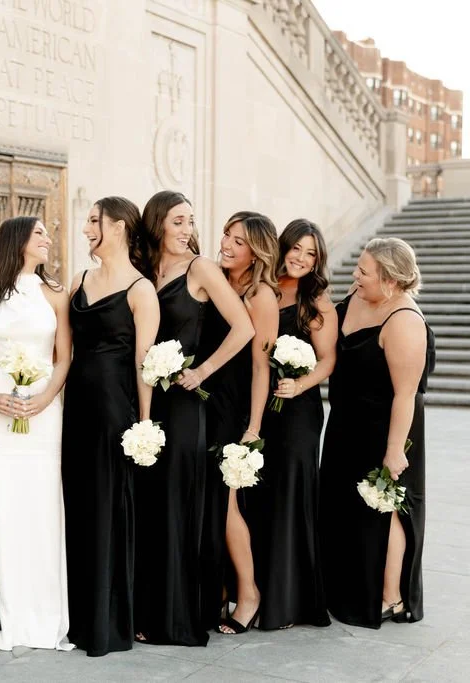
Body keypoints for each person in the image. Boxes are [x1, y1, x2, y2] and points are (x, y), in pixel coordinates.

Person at [133, 191, 254, 646]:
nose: (187, 230)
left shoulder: (200, 269)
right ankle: (147, 609)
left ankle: (177, 616)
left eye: (190, 221)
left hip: (185, 403)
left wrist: (201, 369)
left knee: (178, 503)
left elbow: (244, 328)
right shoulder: (144, 270)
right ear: (158, 224)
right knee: (149, 506)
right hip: (147, 400)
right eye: (178, 221)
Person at [0, 217, 73, 652]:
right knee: (4, 505)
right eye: (40, 233)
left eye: (49, 233)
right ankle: (3, 612)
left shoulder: (56, 295)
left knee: (43, 503)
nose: (48, 239)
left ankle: (46, 613)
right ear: (17, 241)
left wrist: (46, 397)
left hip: (44, 413)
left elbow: (64, 356)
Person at [62, 196, 159, 656]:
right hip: (76, 407)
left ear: (118, 227)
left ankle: (107, 622)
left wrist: (143, 423)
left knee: (107, 508)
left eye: (93, 221)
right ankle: (76, 616)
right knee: (78, 506)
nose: (85, 229)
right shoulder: (78, 280)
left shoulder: (142, 290)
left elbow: (145, 364)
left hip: (115, 410)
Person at [321, 237, 434, 628]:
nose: (356, 275)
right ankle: (343, 588)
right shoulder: (358, 296)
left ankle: (390, 597)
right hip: (345, 425)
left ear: (389, 280)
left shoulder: (403, 320)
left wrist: (393, 451)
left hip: (387, 431)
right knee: (345, 509)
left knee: (385, 508)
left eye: (364, 271)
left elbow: (406, 395)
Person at [248, 219, 334, 630]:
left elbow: (329, 359)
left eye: (311, 252)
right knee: (261, 497)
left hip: (298, 411)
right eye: (296, 248)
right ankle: (259, 590)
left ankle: (291, 602)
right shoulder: (261, 288)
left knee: (291, 495)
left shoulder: (316, 300)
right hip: (263, 406)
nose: (301, 258)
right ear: (282, 248)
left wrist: (300, 384)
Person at [197, 211, 280, 635]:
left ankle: (249, 594)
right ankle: (218, 590)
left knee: (226, 505)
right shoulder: (215, 279)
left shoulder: (261, 295)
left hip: (232, 406)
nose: (227, 244)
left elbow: (262, 368)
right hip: (202, 403)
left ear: (257, 252)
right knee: (207, 502)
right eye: (227, 235)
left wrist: (253, 427)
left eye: (239, 241)